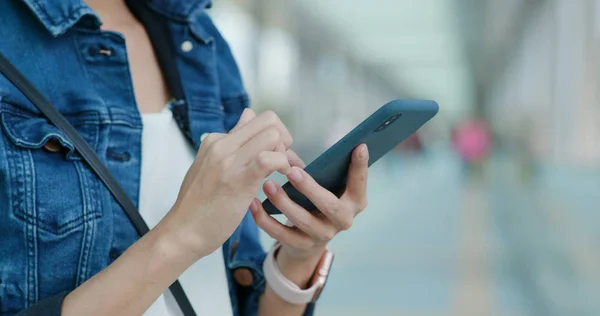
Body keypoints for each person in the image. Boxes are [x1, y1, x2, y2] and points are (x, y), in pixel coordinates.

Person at [0, 1, 369, 315]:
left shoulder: (198, 38)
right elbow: (190, 234)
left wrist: (299, 256)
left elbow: (232, 296)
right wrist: (181, 237)